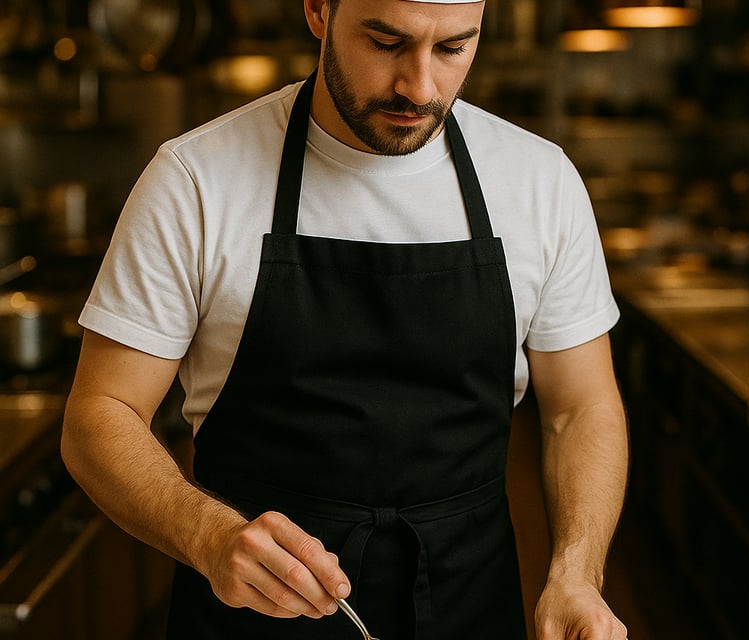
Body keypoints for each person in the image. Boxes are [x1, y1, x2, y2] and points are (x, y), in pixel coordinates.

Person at [60, 0, 630, 638]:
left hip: (470, 603)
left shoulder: (539, 181)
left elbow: (580, 408)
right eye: (386, 43)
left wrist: (577, 573)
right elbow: (100, 413)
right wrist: (208, 536)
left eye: (452, 49)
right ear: (318, 11)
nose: (418, 86)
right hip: (251, 613)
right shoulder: (195, 179)